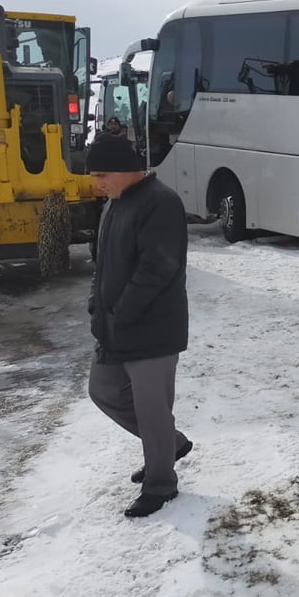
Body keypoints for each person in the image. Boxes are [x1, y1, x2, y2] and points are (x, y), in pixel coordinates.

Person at [85, 133, 192, 518]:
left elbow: (158, 267)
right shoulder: (115, 204)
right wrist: (97, 305)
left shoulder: (160, 202)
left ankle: (161, 483)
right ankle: (169, 442)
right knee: (104, 391)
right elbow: (103, 265)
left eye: (101, 174)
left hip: (152, 329)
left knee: (152, 408)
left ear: (127, 170)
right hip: (115, 327)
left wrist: (121, 314)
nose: (97, 183)